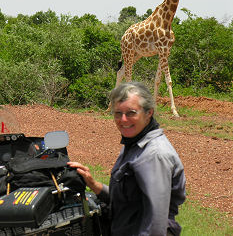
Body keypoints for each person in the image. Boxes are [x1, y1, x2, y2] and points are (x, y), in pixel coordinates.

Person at [68, 82, 186, 236]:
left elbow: (156, 224)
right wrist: (94, 185)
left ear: (149, 113)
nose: (123, 120)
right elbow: (130, 201)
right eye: (118, 113)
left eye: (131, 113)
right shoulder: (135, 144)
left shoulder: (153, 155)